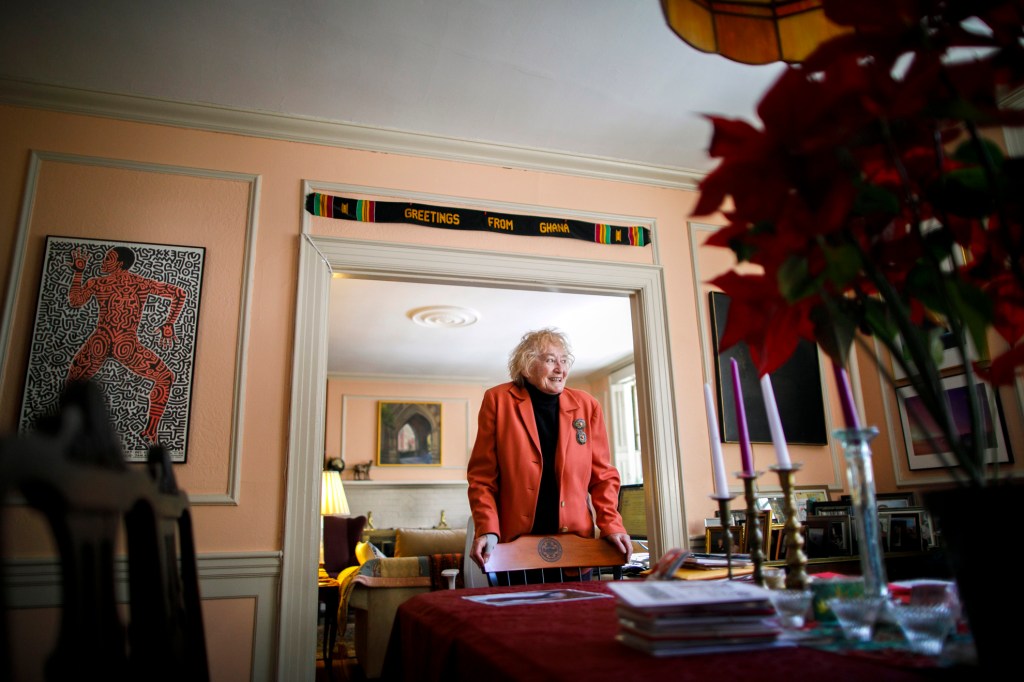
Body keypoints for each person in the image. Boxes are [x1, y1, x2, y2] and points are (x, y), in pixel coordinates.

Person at [467, 328, 631, 575]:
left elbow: (603, 477)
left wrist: (612, 525)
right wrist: (487, 528)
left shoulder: (587, 406)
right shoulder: (498, 401)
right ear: (526, 365)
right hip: (516, 548)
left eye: (564, 360)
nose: (560, 369)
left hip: (576, 548)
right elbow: (482, 477)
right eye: (551, 360)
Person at [65, 246, 187, 444]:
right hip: (125, 344)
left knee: (73, 382)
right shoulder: (140, 283)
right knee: (165, 378)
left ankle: (68, 430)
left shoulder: (98, 283)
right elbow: (179, 294)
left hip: (101, 341)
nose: (104, 262)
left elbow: (75, 300)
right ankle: (150, 431)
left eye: (109, 258)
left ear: (120, 263)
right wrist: (169, 324)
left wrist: (79, 274)